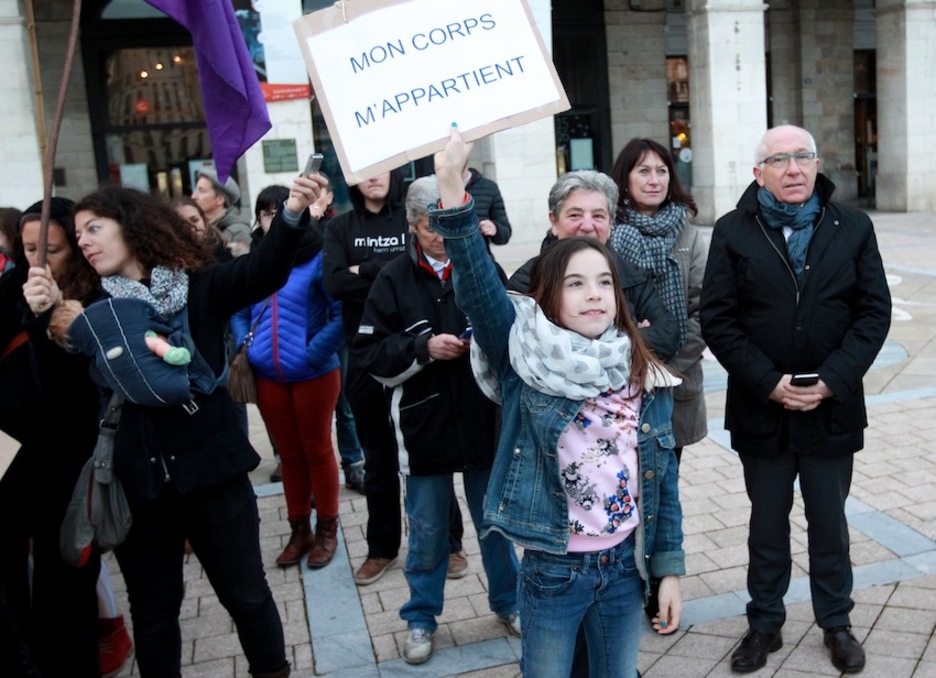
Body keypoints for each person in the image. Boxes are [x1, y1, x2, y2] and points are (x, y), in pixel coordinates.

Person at [29, 177, 325, 678]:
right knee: (154, 616)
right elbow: (58, 391)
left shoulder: (200, 286)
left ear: (132, 227)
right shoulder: (86, 309)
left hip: (214, 477)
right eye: (78, 234)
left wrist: (294, 210)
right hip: (139, 489)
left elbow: (264, 268)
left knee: (248, 598)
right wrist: (44, 319)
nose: (83, 241)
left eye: (94, 228)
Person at [431, 125, 685, 678]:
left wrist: (668, 570)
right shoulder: (526, 357)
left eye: (602, 282)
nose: (592, 293)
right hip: (552, 568)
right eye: (574, 283)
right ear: (549, 296)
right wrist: (452, 187)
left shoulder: (643, 372)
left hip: (624, 568)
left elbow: (663, 479)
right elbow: (477, 285)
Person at [700, 125, 891, 675]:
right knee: (767, 521)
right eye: (779, 160)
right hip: (762, 407)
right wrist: (768, 382)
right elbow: (719, 317)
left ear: (816, 164)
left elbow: (872, 312)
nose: (793, 169)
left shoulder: (852, 226)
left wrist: (831, 380)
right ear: (758, 172)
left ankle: (837, 622)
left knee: (829, 520)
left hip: (832, 406)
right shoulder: (736, 231)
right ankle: (764, 624)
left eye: (802, 157)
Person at [352, 176, 520, 664]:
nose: (442, 235)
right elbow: (368, 351)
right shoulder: (392, 278)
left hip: (481, 419)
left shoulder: (481, 263)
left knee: (496, 525)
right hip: (422, 425)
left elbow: (513, 330)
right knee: (425, 531)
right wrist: (422, 348)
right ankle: (421, 619)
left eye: (449, 224)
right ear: (412, 225)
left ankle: (509, 603)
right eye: (431, 226)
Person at [324, 170, 467, 584]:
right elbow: (335, 283)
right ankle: (382, 547)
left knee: (436, 454)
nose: (375, 179)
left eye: (382, 169)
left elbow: (419, 269)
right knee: (379, 460)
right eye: (366, 172)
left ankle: (451, 544)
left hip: (430, 367)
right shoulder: (340, 226)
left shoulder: (422, 208)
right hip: (368, 359)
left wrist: (363, 268)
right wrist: (381, 271)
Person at [1, 198, 103, 676]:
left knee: (66, 581)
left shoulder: (97, 299)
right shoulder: (11, 288)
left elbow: (67, 395)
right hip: (9, 461)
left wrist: (46, 318)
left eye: (53, 250)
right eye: (27, 250)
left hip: (67, 466)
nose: (38, 261)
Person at [232, 185, 344, 569]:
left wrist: (313, 353)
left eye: (281, 211)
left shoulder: (318, 258)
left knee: (318, 450)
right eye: (266, 213)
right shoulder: (256, 260)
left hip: (314, 374)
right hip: (268, 376)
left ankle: (327, 529)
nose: (274, 219)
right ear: (259, 220)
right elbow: (239, 309)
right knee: (289, 455)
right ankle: (300, 529)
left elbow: (340, 315)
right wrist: (245, 347)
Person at [508, 170, 679, 362]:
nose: (587, 226)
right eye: (575, 215)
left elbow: (668, 336)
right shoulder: (528, 280)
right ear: (554, 221)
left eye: (598, 216)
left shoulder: (632, 276)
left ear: (611, 223)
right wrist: (630, 336)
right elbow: (519, 345)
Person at [610, 138, 708, 466]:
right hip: (616, 384)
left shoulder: (689, 235)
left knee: (666, 487)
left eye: (662, 171)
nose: (655, 180)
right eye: (644, 171)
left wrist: (663, 367)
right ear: (624, 178)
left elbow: (704, 309)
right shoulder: (607, 230)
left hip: (673, 379)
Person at [308, 174, 364, 492]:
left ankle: (354, 460)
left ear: (330, 197)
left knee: (346, 400)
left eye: (320, 193)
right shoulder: (300, 226)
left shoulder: (339, 227)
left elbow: (342, 275)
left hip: (337, 323)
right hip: (315, 326)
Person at [192, 169, 252, 256]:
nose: (193, 196)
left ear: (220, 199)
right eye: (196, 190)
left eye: (202, 191)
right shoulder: (201, 227)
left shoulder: (238, 231)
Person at [169, 195, 231, 264]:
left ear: (203, 219)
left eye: (195, 220)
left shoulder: (221, 250)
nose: (191, 227)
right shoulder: (172, 261)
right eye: (183, 223)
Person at [463, 163, 512, 249]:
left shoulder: (489, 187)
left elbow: (505, 235)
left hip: (480, 257)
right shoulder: (434, 188)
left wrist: (495, 228)